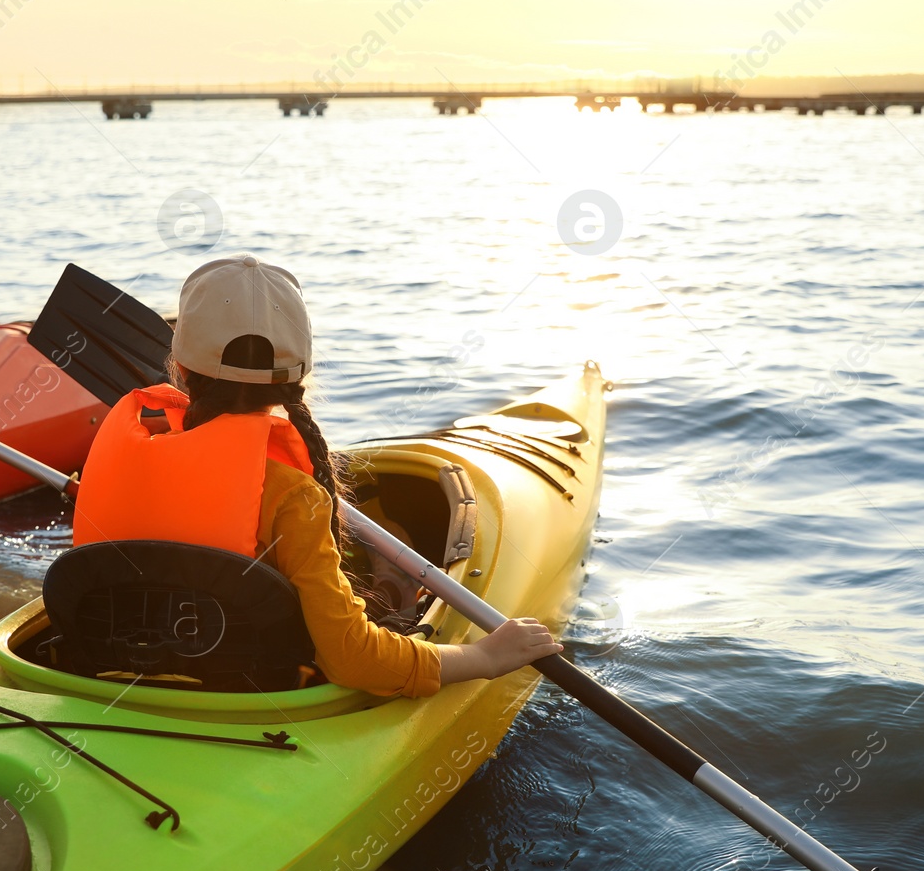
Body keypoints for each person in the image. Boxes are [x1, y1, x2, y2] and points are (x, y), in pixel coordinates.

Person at [73, 254, 562, 697]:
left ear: (178, 370)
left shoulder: (124, 457)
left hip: (101, 682)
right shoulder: (295, 498)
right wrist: (485, 657)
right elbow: (355, 663)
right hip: (239, 702)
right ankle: (393, 589)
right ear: (299, 379)